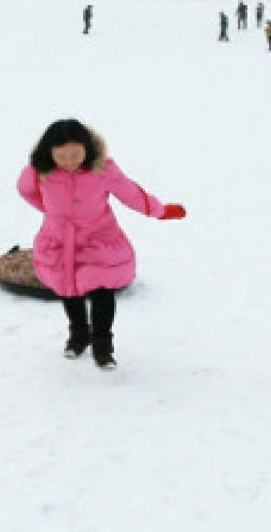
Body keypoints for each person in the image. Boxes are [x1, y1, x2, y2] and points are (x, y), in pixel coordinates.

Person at [16, 119, 185, 370]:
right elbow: (26, 190)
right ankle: (78, 335)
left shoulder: (103, 169)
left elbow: (132, 194)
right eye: (62, 156)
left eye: (75, 154)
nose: (70, 161)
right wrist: (52, 213)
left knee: (102, 290)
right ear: (49, 153)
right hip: (59, 241)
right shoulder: (39, 171)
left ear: (87, 147)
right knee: (68, 289)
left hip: (99, 240)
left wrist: (160, 211)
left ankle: (103, 345)